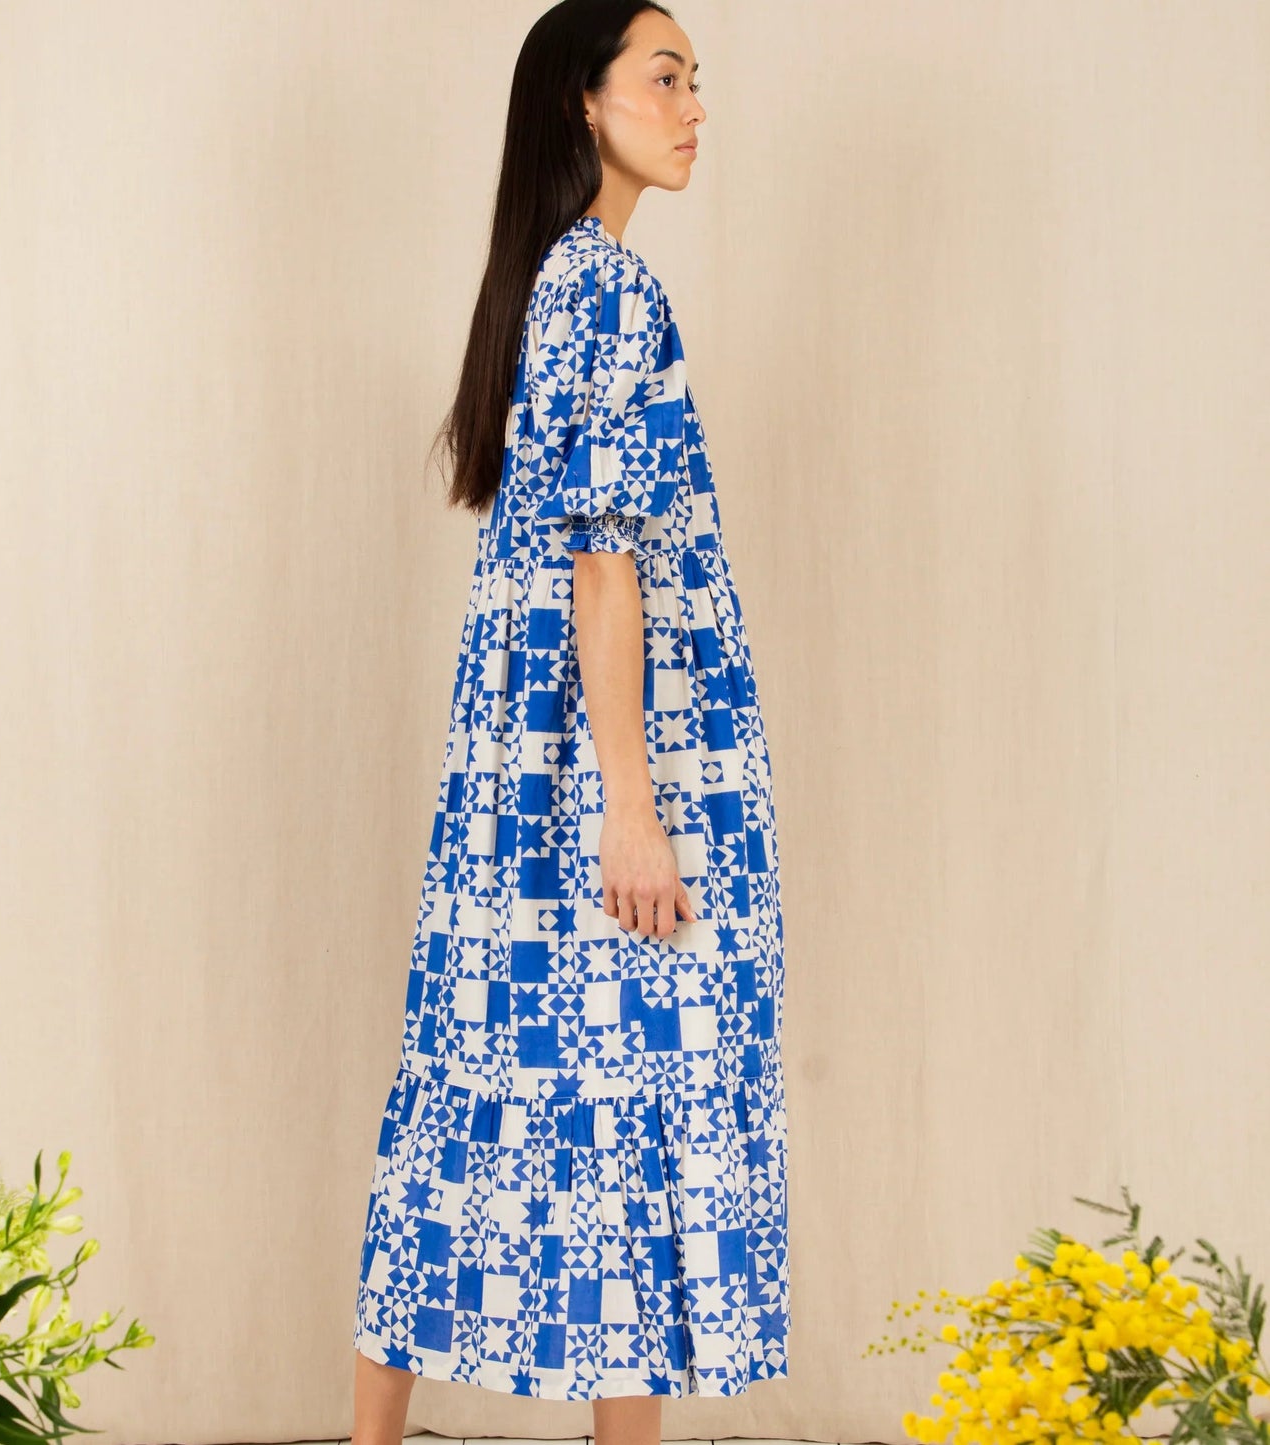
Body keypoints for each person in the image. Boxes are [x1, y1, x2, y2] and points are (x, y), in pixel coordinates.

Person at [351, 2, 790, 1440]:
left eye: (695, 82)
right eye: (664, 79)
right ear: (578, 105)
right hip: (601, 755)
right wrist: (632, 798)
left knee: (485, 1088)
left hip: (513, 761)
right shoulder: (602, 288)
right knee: (641, 1100)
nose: (693, 108)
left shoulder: (548, 284)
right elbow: (608, 555)